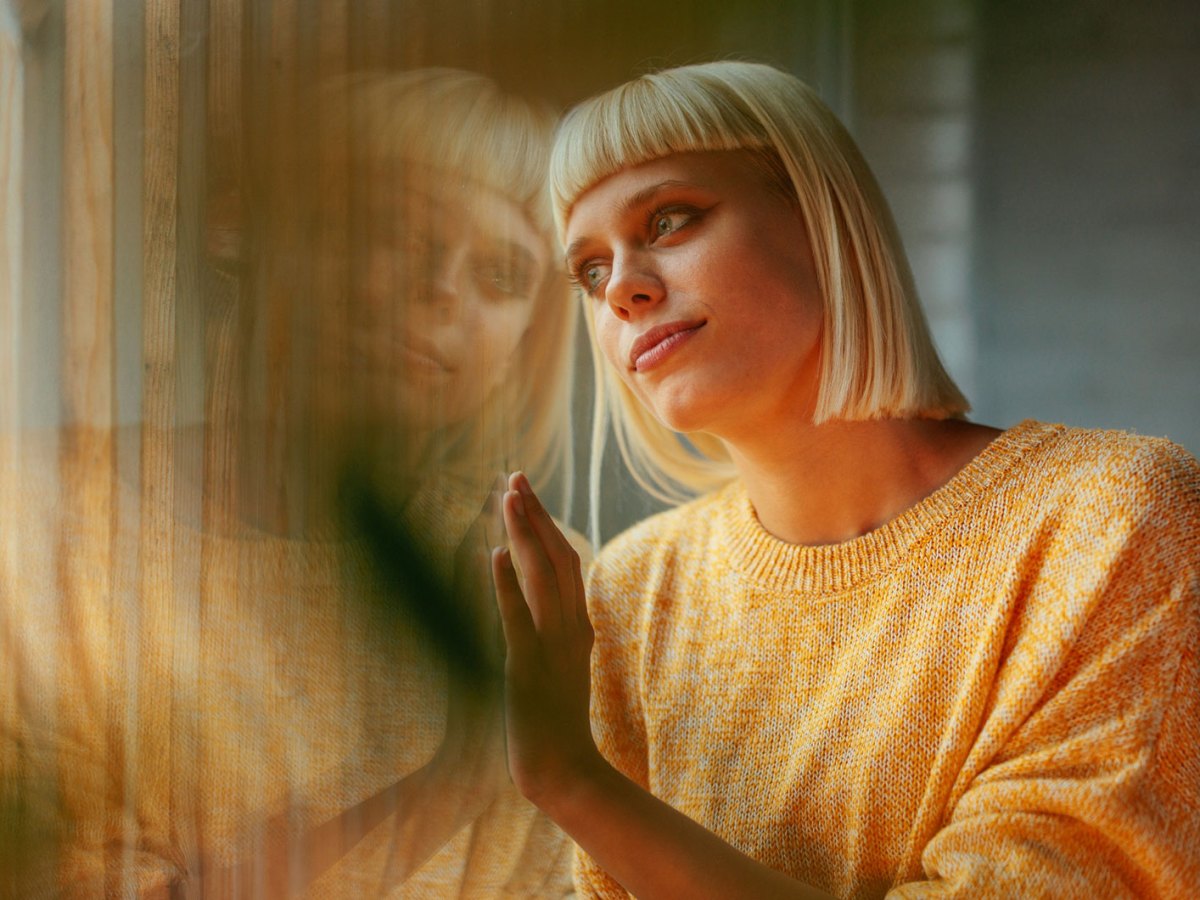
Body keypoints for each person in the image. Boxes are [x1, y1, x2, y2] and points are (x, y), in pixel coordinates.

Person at [489, 60, 1200, 898]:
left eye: (670, 218)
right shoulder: (635, 594)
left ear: (823, 217)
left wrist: (576, 786)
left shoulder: (1114, 519)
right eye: (592, 272)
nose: (625, 292)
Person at [0, 69, 579, 896]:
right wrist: (463, 768)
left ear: (527, 341)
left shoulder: (551, 593)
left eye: (502, 275)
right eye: (392, 230)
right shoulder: (33, 522)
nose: (440, 290)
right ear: (242, 228)